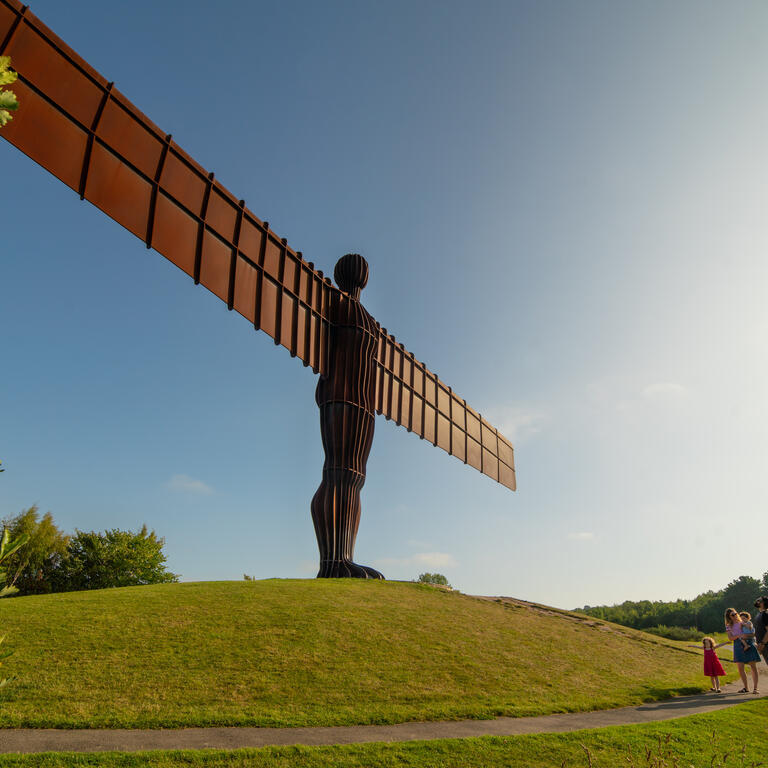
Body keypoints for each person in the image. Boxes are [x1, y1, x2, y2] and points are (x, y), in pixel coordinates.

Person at [725, 607, 760, 694]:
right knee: (740, 668)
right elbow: (730, 638)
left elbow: (753, 633)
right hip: (737, 644)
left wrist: (746, 636)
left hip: (748, 642)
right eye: (732, 615)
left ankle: (755, 688)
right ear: (729, 617)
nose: (735, 616)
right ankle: (746, 687)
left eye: (736, 613)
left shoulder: (744, 622)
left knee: (753, 666)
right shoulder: (728, 626)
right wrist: (739, 636)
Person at [753, 596, 768, 664]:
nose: (756, 601)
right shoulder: (759, 614)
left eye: (758, 600)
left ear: (763, 603)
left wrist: (762, 643)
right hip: (763, 645)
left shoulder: (765, 614)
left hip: (766, 645)